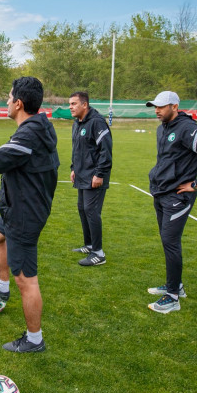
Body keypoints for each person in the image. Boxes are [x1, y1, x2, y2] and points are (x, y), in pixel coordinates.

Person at [0, 77, 59, 353]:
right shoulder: (37, 126)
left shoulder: (29, 134)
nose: (6, 101)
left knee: (26, 280)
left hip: (25, 215)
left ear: (18, 103)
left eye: (8, 97)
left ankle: (34, 340)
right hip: (20, 208)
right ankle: (2, 286)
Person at [145, 91, 197, 314]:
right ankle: (175, 285)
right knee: (166, 240)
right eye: (155, 107)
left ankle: (172, 298)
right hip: (162, 192)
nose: (157, 110)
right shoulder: (163, 128)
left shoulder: (188, 128)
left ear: (175, 106)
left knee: (171, 242)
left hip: (178, 196)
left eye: (161, 106)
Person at [68, 91, 112, 267]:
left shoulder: (97, 122)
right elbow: (77, 149)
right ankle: (89, 245)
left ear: (84, 105)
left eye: (73, 104)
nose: (70, 107)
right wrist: (73, 168)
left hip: (94, 175)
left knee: (91, 210)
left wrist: (99, 173)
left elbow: (106, 150)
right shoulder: (77, 123)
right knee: (82, 208)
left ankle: (98, 253)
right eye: (69, 104)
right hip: (82, 173)